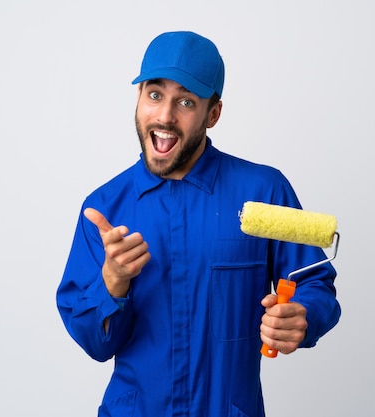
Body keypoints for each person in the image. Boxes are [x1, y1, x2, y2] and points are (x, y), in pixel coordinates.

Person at [56, 31, 341, 417]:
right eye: (154, 95)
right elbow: (95, 344)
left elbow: (315, 283)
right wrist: (113, 280)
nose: (165, 116)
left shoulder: (264, 192)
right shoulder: (105, 209)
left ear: (213, 114)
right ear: (138, 97)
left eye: (186, 101)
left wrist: (304, 316)